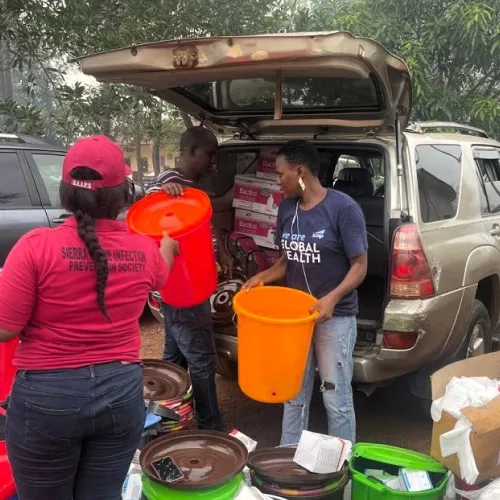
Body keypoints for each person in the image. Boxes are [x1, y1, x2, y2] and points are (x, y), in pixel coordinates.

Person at [0, 135, 179, 499]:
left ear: (65, 192)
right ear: (121, 195)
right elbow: (163, 271)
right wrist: (167, 247)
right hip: (121, 395)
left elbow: (5, 329)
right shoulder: (144, 250)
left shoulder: (35, 247)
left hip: (47, 400)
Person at [244, 140, 368, 445]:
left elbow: (360, 266)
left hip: (334, 318)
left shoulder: (343, 209)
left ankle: (341, 468)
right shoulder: (287, 208)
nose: (277, 180)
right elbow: (288, 261)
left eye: (281, 174)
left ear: (300, 172)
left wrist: (333, 297)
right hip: (295, 322)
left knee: (335, 398)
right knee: (293, 394)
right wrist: (262, 277)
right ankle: (287, 462)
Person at [147, 126, 225, 431]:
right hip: (185, 290)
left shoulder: (190, 186)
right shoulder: (168, 185)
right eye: (210, 155)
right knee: (203, 361)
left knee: (174, 357)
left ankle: (159, 419)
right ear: (191, 151)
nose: (213, 163)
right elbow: (148, 219)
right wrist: (162, 199)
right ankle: (211, 427)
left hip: (184, 288)